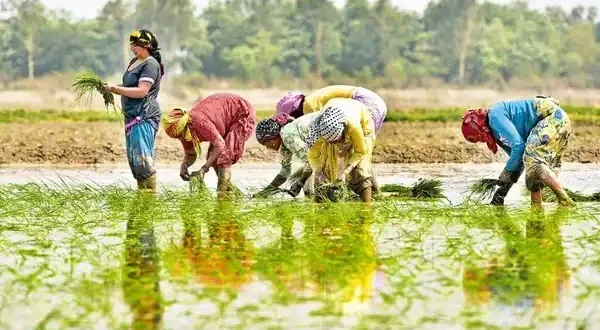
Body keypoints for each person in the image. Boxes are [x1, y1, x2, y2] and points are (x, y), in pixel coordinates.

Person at [461, 96, 575, 206]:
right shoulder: (497, 134)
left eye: (480, 138)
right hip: (559, 122)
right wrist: (501, 194)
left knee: (533, 160)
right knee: (532, 167)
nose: (482, 141)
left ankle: (565, 200)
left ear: (481, 128)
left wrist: (506, 172)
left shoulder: (494, 116)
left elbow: (518, 147)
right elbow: (519, 159)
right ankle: (537, 208)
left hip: (551, 118)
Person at [276, 85, 388, 192]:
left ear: (293, 112)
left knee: (360, 152)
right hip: (371, 101)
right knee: (360, 150)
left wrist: (305, 179)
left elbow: (321, 144)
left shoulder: (309, 106)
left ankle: (366, 190)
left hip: (366, 103)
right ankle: (369, 189)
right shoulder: (312, 100)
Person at [104, 29, 164, 192]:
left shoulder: (151, 64)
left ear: (146, 45)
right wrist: (110, 88)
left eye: (135, 45)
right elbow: (130, 87)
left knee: (143, 160)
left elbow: (142, 91)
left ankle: (149, 196)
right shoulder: (133, 62)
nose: (132, 48)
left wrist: (115, 89)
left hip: (144, 115)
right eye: (131, 44)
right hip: (131, 116)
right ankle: (142, 196)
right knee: (135, 162)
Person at [163, 93, 256, 196]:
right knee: (213, 158)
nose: (180, 139)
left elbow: (220, 144)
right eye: (176, 137)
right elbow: (190, 154)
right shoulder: (184, 132)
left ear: (185, 126)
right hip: (223, 118)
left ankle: (223, 196)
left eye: (179, 135)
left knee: (224, 157)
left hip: (241, 112)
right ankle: (230, 193)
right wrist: (184, 166)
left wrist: (204, 169)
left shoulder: (198, 122)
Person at [306, 98, 376, 203]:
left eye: (338, 140)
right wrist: (319, 171)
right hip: (335, 114)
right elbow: (312, 156)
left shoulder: (353, 126)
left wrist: (345, 172)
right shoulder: (319, 132)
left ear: (344, 132)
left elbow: (360, 151)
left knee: (361, 168)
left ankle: (367, 205)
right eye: (332, 142)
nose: (336, 145)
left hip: (363, 125)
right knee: (325, 167)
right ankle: (321, 203)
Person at [254, 111, 323, 197]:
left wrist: (300, 182)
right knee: (309, 188)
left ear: (273, 137)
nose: (267, 147)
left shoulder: (287, 136)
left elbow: (312, 160)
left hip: (327, 127)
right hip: (321, 140)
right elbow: (285, 172)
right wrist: (264, 193)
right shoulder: (284, 145)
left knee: (317, 188)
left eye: (265, 143)